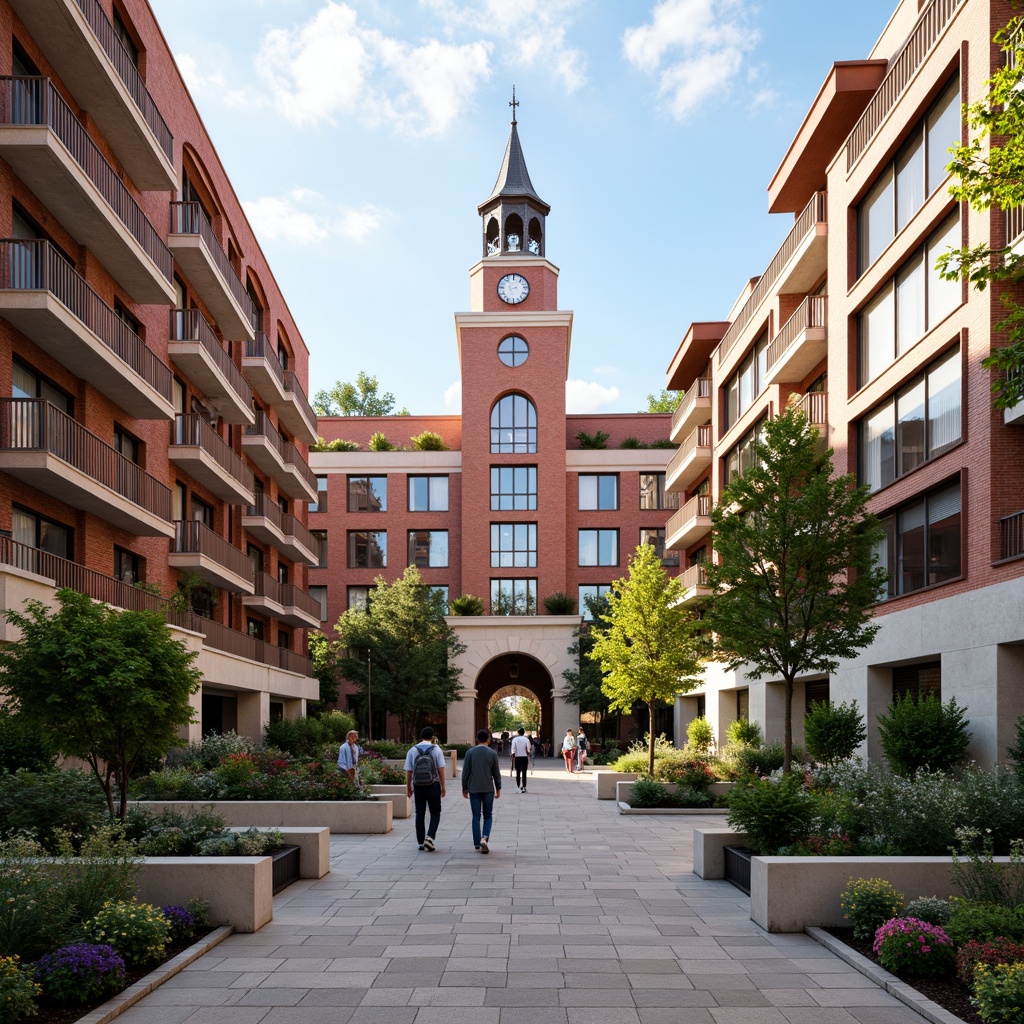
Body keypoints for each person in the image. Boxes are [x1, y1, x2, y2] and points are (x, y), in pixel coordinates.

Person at [404, 727, 447, 851]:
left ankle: (421, 842)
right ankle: (430, 837)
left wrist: (408, 788)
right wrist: (443, 787)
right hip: (433, 785)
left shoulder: (412, 750)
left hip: (418, 786)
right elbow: (441, 769)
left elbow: (409, 771)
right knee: (435, 812)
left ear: (421, 736)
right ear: (432, 737)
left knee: (420, 813)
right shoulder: (436, 749)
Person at [462, 728, 501, 853]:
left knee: (476, 816)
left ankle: (476, 843)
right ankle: (484, 838)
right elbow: (496, 773)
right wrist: (498, 788)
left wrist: (464, 787)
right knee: (488, 815)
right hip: (488, 788)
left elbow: (465, 773)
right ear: (488, 739)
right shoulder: (492, 753)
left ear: (477, 739)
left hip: (474, 788)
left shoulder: (470, 753)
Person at [509, 727, 531, 793]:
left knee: (518, 772)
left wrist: (513, 756)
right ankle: (524, 786)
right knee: (524, 772)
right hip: (524, 757)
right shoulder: (526, 739)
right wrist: (528, 754)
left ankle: (518, 786)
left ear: (518, 732)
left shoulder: (514, 739)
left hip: (517, 757)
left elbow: (513, 749)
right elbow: (528, 749)